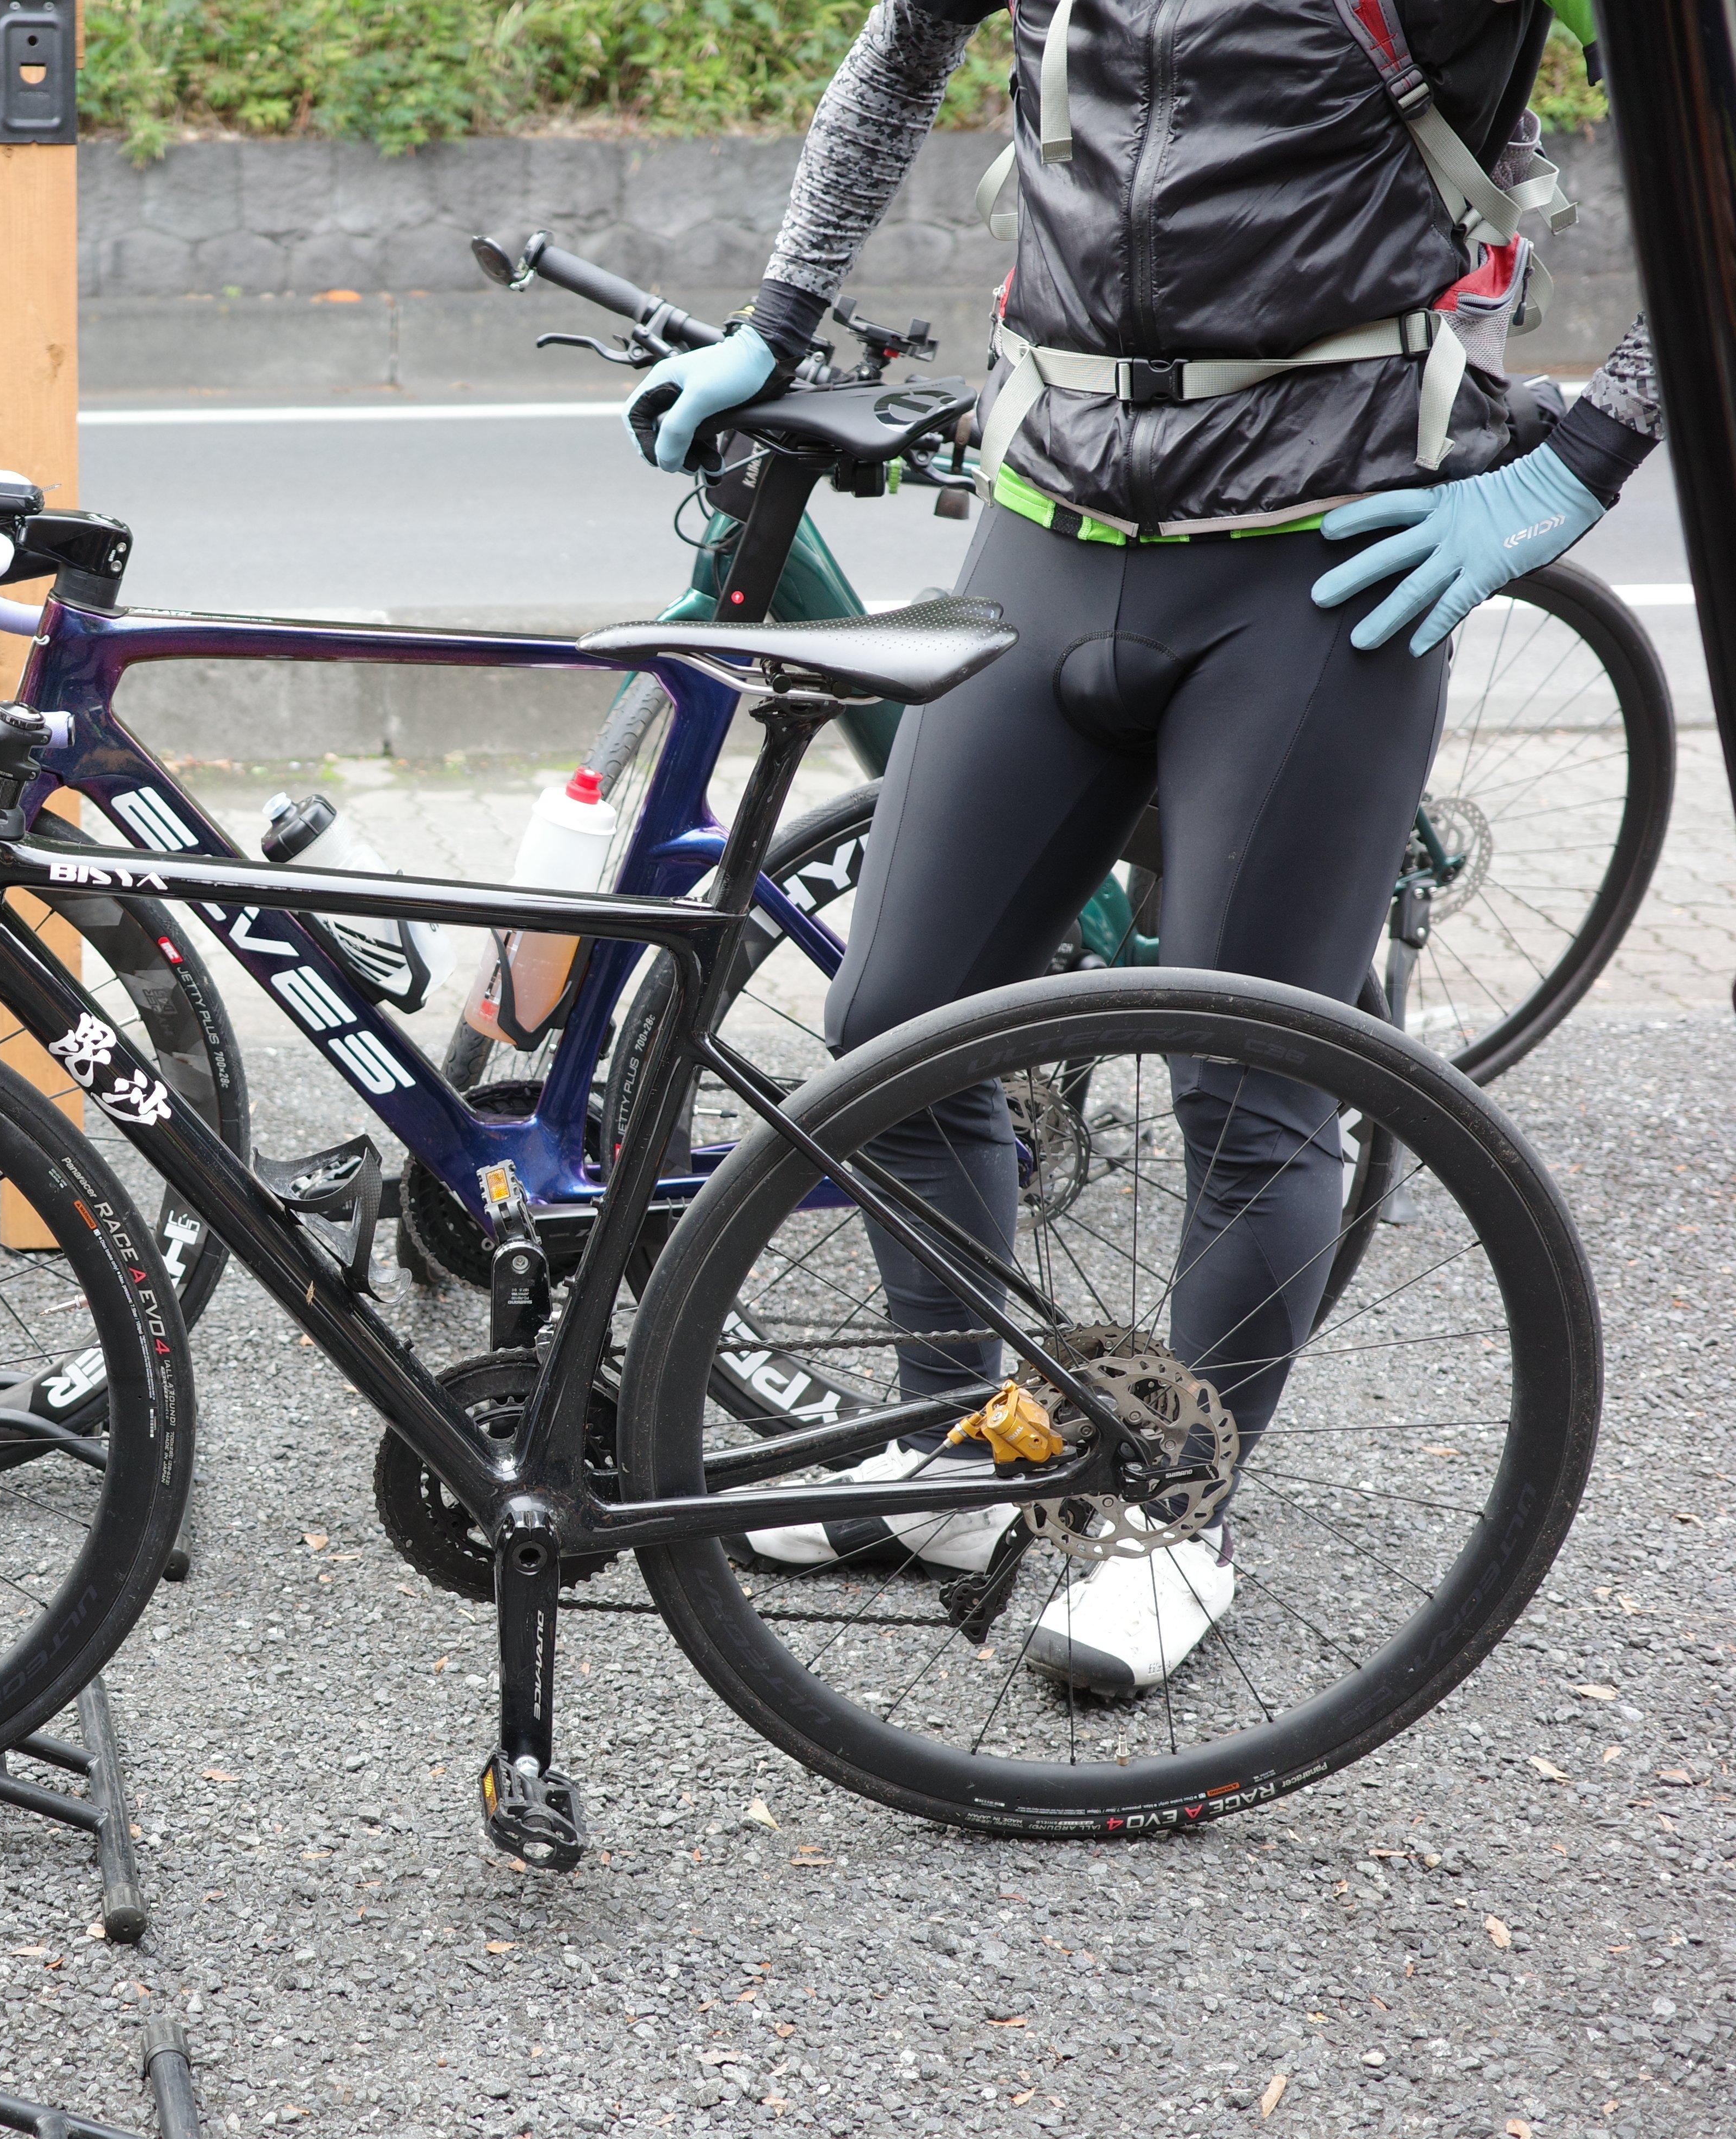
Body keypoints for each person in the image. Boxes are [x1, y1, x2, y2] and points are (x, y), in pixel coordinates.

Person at [645, 0, 1658, 1691]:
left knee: (1250, 1083)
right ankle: (972, 1445)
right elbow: (906, 47)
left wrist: (1579, 468)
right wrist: (777, 319)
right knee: (891, 1025)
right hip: (1044, 522)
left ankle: (1174, 1516)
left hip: (1316, 559)